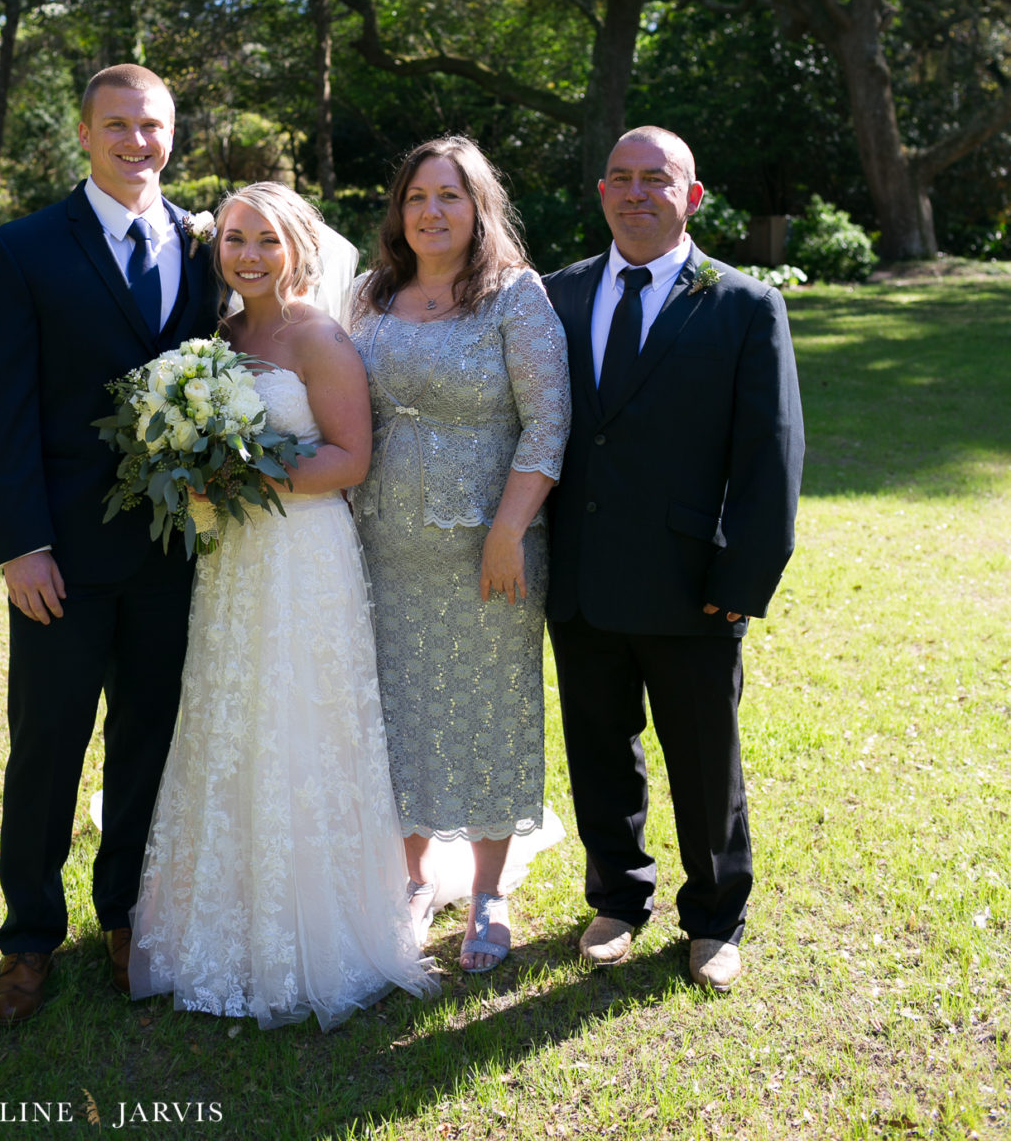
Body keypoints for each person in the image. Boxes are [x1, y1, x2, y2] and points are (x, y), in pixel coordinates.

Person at [128, 183, 437, 1028]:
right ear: (217, 248)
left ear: (297, 244)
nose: (250, 254)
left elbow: (350, 458)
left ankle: (318, 924)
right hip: (232, 561)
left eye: (266, 238)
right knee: (231, 719)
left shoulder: (319, 336)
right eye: (234, 239)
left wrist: (244, 476)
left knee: (300, 719)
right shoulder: (217, 339)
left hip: (304, 555)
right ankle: (222, 915)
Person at [0, 63, 219, 1025]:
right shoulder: (22, 250)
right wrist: (22, 544)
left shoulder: (205, 244)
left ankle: (125, 916)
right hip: (60, 560)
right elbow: (0, 411)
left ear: (170, 132)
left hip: (172, 557)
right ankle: (28, 938)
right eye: (116, 125)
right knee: (48, 748)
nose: (136, 142)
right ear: (83, 133)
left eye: (151, 125)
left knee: (149, 744)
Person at [543, 126, 804, 992]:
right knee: (597, 747)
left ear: (693, 197)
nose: (635, 191)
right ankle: (618, 896)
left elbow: (770, 459)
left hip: (693, 585)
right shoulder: (557, 295)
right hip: (580, 575)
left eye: (657, 178)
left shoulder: (742, 304)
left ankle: (717, 916)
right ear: (602, 192)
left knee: (703, 757)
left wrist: (740, 586)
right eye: (619, 177)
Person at [351, 137, 571, 974]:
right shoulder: (373, 294)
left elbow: (548, 422)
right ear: (397, 212)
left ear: (479, 207)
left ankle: (487, 889)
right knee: (397, 708)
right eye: (415, 197)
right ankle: (411, 879)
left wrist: (510, 529)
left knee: (488, 709)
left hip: (489, 548)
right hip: (381, 543)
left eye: (448, 195)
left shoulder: (514, 296)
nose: (430, 212)